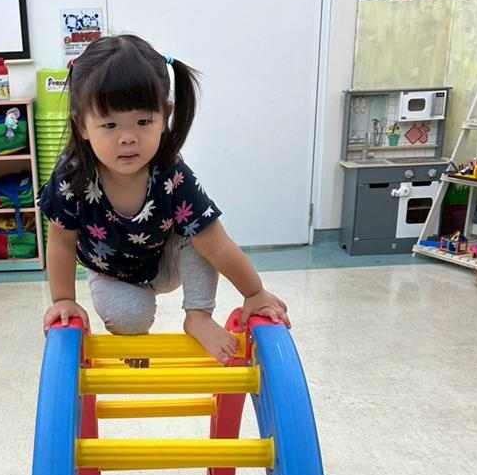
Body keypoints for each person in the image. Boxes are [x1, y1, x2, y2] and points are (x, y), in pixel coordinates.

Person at [39, 34, 290, 363]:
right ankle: (133, 340)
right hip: (110, 271)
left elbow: (217, 243)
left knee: (199, 232)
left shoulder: (171, 173)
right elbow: (61, 243)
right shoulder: (72, 177)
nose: (128, 138)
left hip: (166, 261)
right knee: (130, 317)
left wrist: (254, 293)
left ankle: (197, 317)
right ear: (82, 125)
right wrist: (63, 300)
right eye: (110, 125)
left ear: (165, 116)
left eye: (143, 121)